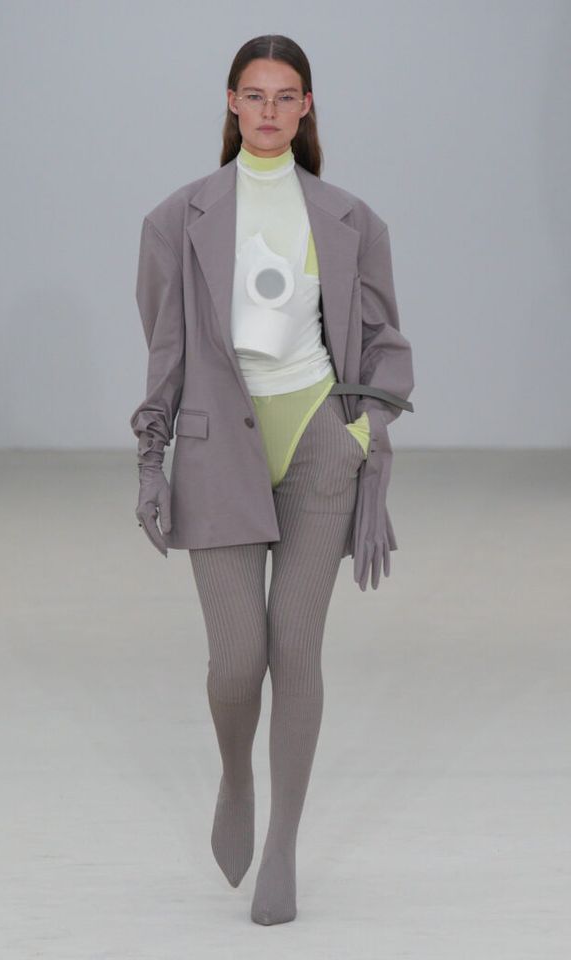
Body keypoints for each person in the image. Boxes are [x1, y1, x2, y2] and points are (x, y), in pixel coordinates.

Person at [130, 35, 414, 925]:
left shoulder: (351, 219)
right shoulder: (176, 220)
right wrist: (150, 460)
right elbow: (165, 350)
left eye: (285, 96)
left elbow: (385, 341)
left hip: (320, 443)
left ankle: (283, 843)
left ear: (306, 107)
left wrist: (362, 432)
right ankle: (235, 777)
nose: (268, 110)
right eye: (254, 95)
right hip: (217, 448)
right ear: (230, 103)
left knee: (295, 649)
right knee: (235, 663)